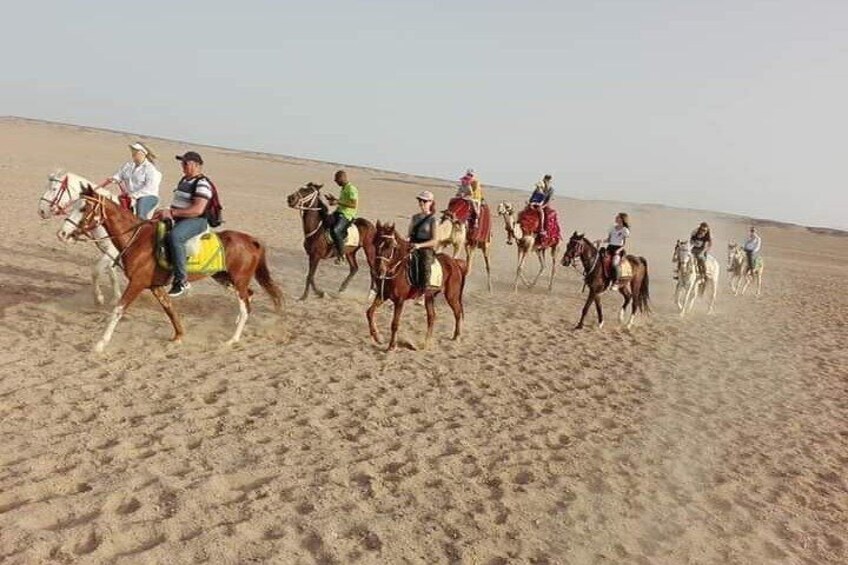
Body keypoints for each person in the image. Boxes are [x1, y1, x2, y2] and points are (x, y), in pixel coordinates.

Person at [152, 151, 213, 297]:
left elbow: (197, 210)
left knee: (175, 237)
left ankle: (181, 280)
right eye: (182, 163)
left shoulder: (202, 184)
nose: (183, 166)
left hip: (196, 220)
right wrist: (164, 211)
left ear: (197, 165)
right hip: (179, 217)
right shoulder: (185, 180)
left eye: (186, 163)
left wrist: (172, 213)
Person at [98, 141, 162, 219]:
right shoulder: (128, 166)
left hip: (147, 196)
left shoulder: (150, 169)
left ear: (143, 153)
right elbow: (119, 175)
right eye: (133, 151)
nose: (133, 153)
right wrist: (113, 179)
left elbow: (150, 188)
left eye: (136, 151)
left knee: (140, 211)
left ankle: (142, 226)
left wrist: (134, 195)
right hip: (130, 195)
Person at [325, 170, 359, 264]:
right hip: (339, 212)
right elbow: (343, 202)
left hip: (347, 215)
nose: (336, 181)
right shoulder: (343, 188)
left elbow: (353, 204)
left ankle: (341, 254)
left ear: (342, 178)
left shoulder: (351, 189)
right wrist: (334, 200)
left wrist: (338, 202)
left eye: (337, 179)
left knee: (336, 230)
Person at [409, 191, 438, 289]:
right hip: (413, 244)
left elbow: (434, 241)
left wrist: (419, 246)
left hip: (426, 248)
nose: (421, 203)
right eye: (420, 200)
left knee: (425, 264)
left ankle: (423, 291)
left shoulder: (433, 220)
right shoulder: (415, 217)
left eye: (424, 201)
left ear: (430, 202)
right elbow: (409, 234)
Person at [603, 213, 630, 289]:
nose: (616, 218)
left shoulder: (625, 230)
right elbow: (609, 239)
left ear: (622, 219)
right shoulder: (612, 228)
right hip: (610, 247)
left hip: (618, 249)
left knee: (614, 264)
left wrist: (618, 250)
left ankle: (616, 282)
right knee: (601, 259)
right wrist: (600, 241)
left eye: (618, 217)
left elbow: (624, 244)